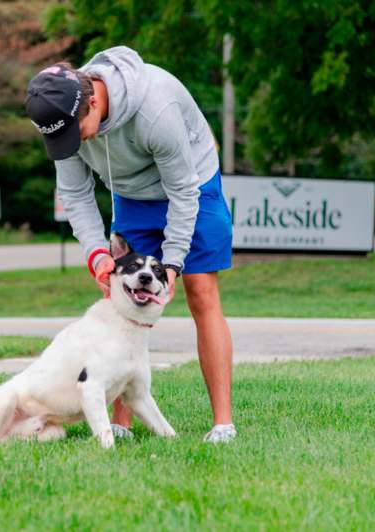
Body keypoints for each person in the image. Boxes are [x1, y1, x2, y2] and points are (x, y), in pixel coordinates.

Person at [24, 46, 236, 443]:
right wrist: (97, 255)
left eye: (76, 131)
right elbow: (76, 195)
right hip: (132, 195)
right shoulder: (63, 117)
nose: (74, 143)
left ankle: (223, 423)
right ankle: (121, 424)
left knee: (200, 290)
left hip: (193, 187)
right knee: (121, 302)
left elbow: (182, 192)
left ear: (93, 101)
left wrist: (172, 263)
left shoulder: (155, 107)